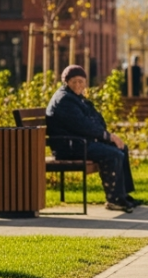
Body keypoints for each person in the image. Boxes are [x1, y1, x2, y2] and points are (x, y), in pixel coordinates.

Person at [47, 65, 140, 212]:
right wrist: (106, 136)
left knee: (121, 148)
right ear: (66, 82)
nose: (78, 85)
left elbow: (95, 119)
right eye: (74, 81)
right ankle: (114, 200)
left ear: (85, 83)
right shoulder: (65, 100)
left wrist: (106, 136)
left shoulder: (77, 98)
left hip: (79, 143)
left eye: (81, 81)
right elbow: (82, 126)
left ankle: (122, 195)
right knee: (113, 154)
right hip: (70, 147)